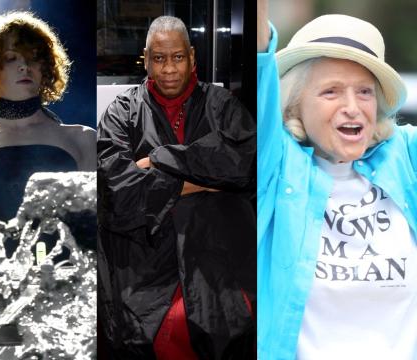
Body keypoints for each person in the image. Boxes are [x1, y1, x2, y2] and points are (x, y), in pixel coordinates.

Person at [258, 1, 417, 358]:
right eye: (331, 91)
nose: (352, 106)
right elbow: (257, 66)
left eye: (364, 91)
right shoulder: (277, 163)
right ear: (295, 104)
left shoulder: (406, 155)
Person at [97, 15, 256, 359]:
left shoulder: (222, 105)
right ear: (146, 59)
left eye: (178, 57)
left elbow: (241, 166)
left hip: (218, 249)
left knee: (231, 325)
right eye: (159, 58)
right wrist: (201, 183)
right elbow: (117, 191)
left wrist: (158, 160)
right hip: (146, 252)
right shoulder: (122, 113)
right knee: (151, 331)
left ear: (193, 57)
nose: (169, 68)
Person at [0, 11, 96, 258]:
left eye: (33, 58)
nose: (24, 66)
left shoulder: (83, 139)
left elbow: (95, 221)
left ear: (45, 69)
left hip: (65, 283)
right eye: (11, 58)